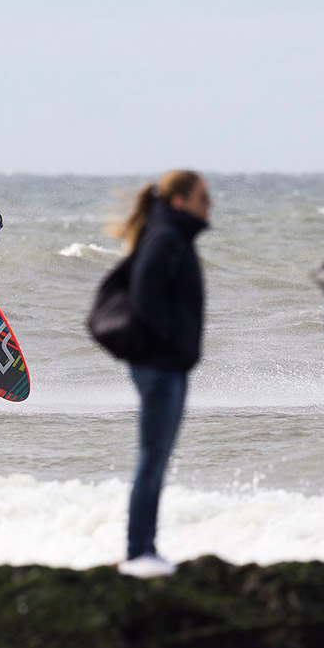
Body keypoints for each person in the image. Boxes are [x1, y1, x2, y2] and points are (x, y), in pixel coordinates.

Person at [110, 170, 210, 578]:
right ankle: (139, 553)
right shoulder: (166, 237)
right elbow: (145, 297)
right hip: (159, 366)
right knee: (152, 460)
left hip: (166, 365)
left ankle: (147, 549)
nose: (211, 204)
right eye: (204, 196)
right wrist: (171, 346)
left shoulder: (170, 234)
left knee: (157, 459)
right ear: (180, 201)